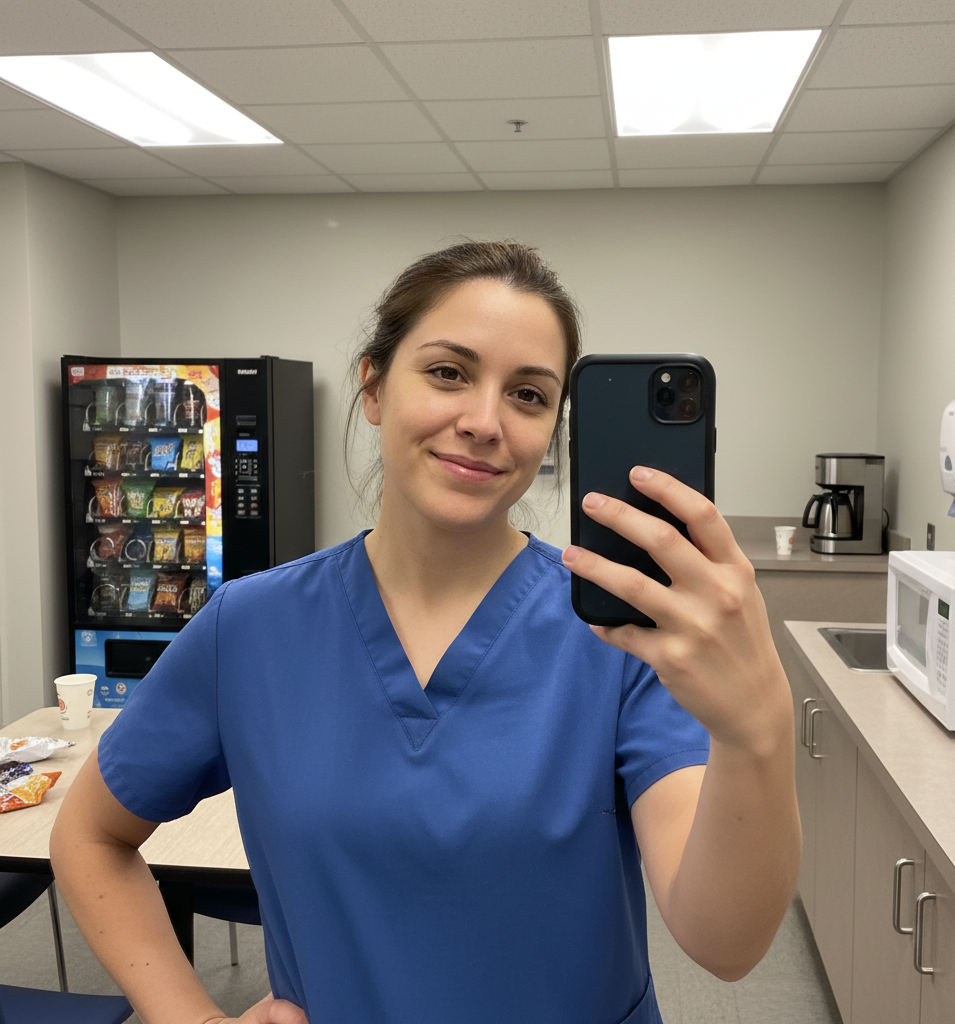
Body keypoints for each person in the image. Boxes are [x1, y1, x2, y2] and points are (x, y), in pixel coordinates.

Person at [50, 240, 801, 1024]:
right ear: (373, 386)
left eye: (529, 395)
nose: (483, 422)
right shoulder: (251, 629)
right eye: (448, 373)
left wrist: (759, 733)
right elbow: (90, 836)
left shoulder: (618, 635)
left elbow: (726, 941)